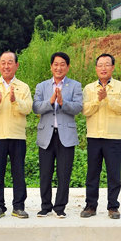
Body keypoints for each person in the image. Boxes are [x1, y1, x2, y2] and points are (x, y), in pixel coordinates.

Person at [0, 51, 33, 219]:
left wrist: (14, 100)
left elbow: (28, 108)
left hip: (17, 136)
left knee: (18, 172)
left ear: (16, 65)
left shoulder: (23, 87)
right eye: (3, 62)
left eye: (10, 62)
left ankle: (18, 206)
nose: (6, 66)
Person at [32, 52, 83, 218]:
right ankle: (45, 206)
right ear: (51, 66)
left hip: (66, 136)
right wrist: (51, 101)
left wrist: (62, 102)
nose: (59, 67)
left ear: (67, 67)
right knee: (45, 173)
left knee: (64, 172)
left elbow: (78, 108)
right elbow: (36, 108)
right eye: (56, 64)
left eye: (62, 64)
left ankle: (60, 207)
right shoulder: (42, 86)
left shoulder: (75, 85)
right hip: (46, 135)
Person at [81, 53, 121, 219]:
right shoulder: (88, 88)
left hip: (113, 137)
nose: (103, 68)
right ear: (96, 68)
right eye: (100, 65)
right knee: (92, 173)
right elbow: (85, 110)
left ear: (113, 67)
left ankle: (113, 207)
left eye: (107, 64)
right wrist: (97, 100)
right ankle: (90, 206)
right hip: (94, 136)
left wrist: (107, 98)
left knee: (114, 174)